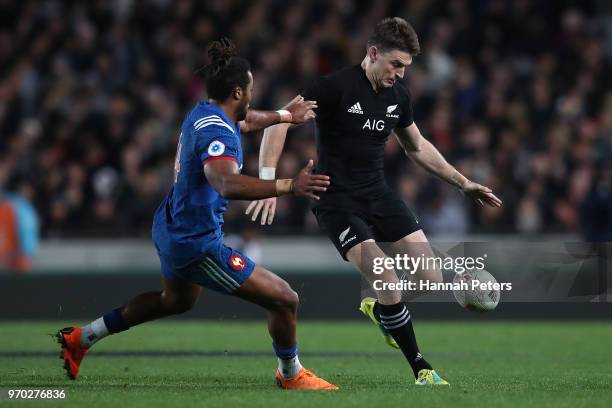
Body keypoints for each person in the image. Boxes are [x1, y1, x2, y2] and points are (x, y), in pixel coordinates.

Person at [56, 38, 337, 391]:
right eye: (250, 87)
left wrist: (284, 116)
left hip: (171, 224)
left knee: (174, 300)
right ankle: (290, 373)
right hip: (196, 242)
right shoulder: (220, 130)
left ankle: (81, 338)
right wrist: (288, 186)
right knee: (285, 298)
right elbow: (225, 183)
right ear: (238, 91)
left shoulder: (205, 111)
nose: (253, 92)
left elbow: (247, 120)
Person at [246, 18, 502, 386]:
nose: (400, 73)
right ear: (373, 54)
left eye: (406, 67)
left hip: (378, 195)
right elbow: (278, 123)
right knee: (385, 274)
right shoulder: (334, 87)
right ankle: (421, 368)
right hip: (336, 201)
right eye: (396, 64)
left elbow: (417, 147)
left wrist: (462, 183)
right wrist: (268, 182)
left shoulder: (398, 97)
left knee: (429, 277)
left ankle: (382, 310)